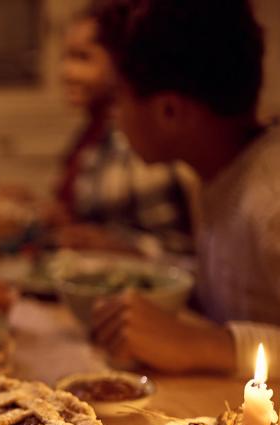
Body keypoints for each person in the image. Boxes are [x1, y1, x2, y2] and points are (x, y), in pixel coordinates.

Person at [89, 0, 280, 404]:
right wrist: (135, 260)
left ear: (169, 110)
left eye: (118, 97)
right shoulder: (222, 171)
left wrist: (213, 345)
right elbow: (242, 283)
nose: (113, 115)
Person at [53, 5, 192, 255]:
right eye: (65, 57)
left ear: (119, 62)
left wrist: (116, 246)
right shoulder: (95, 131)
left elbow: (180, 248)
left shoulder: (140, 134)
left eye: (83, 57)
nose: (66, 72)